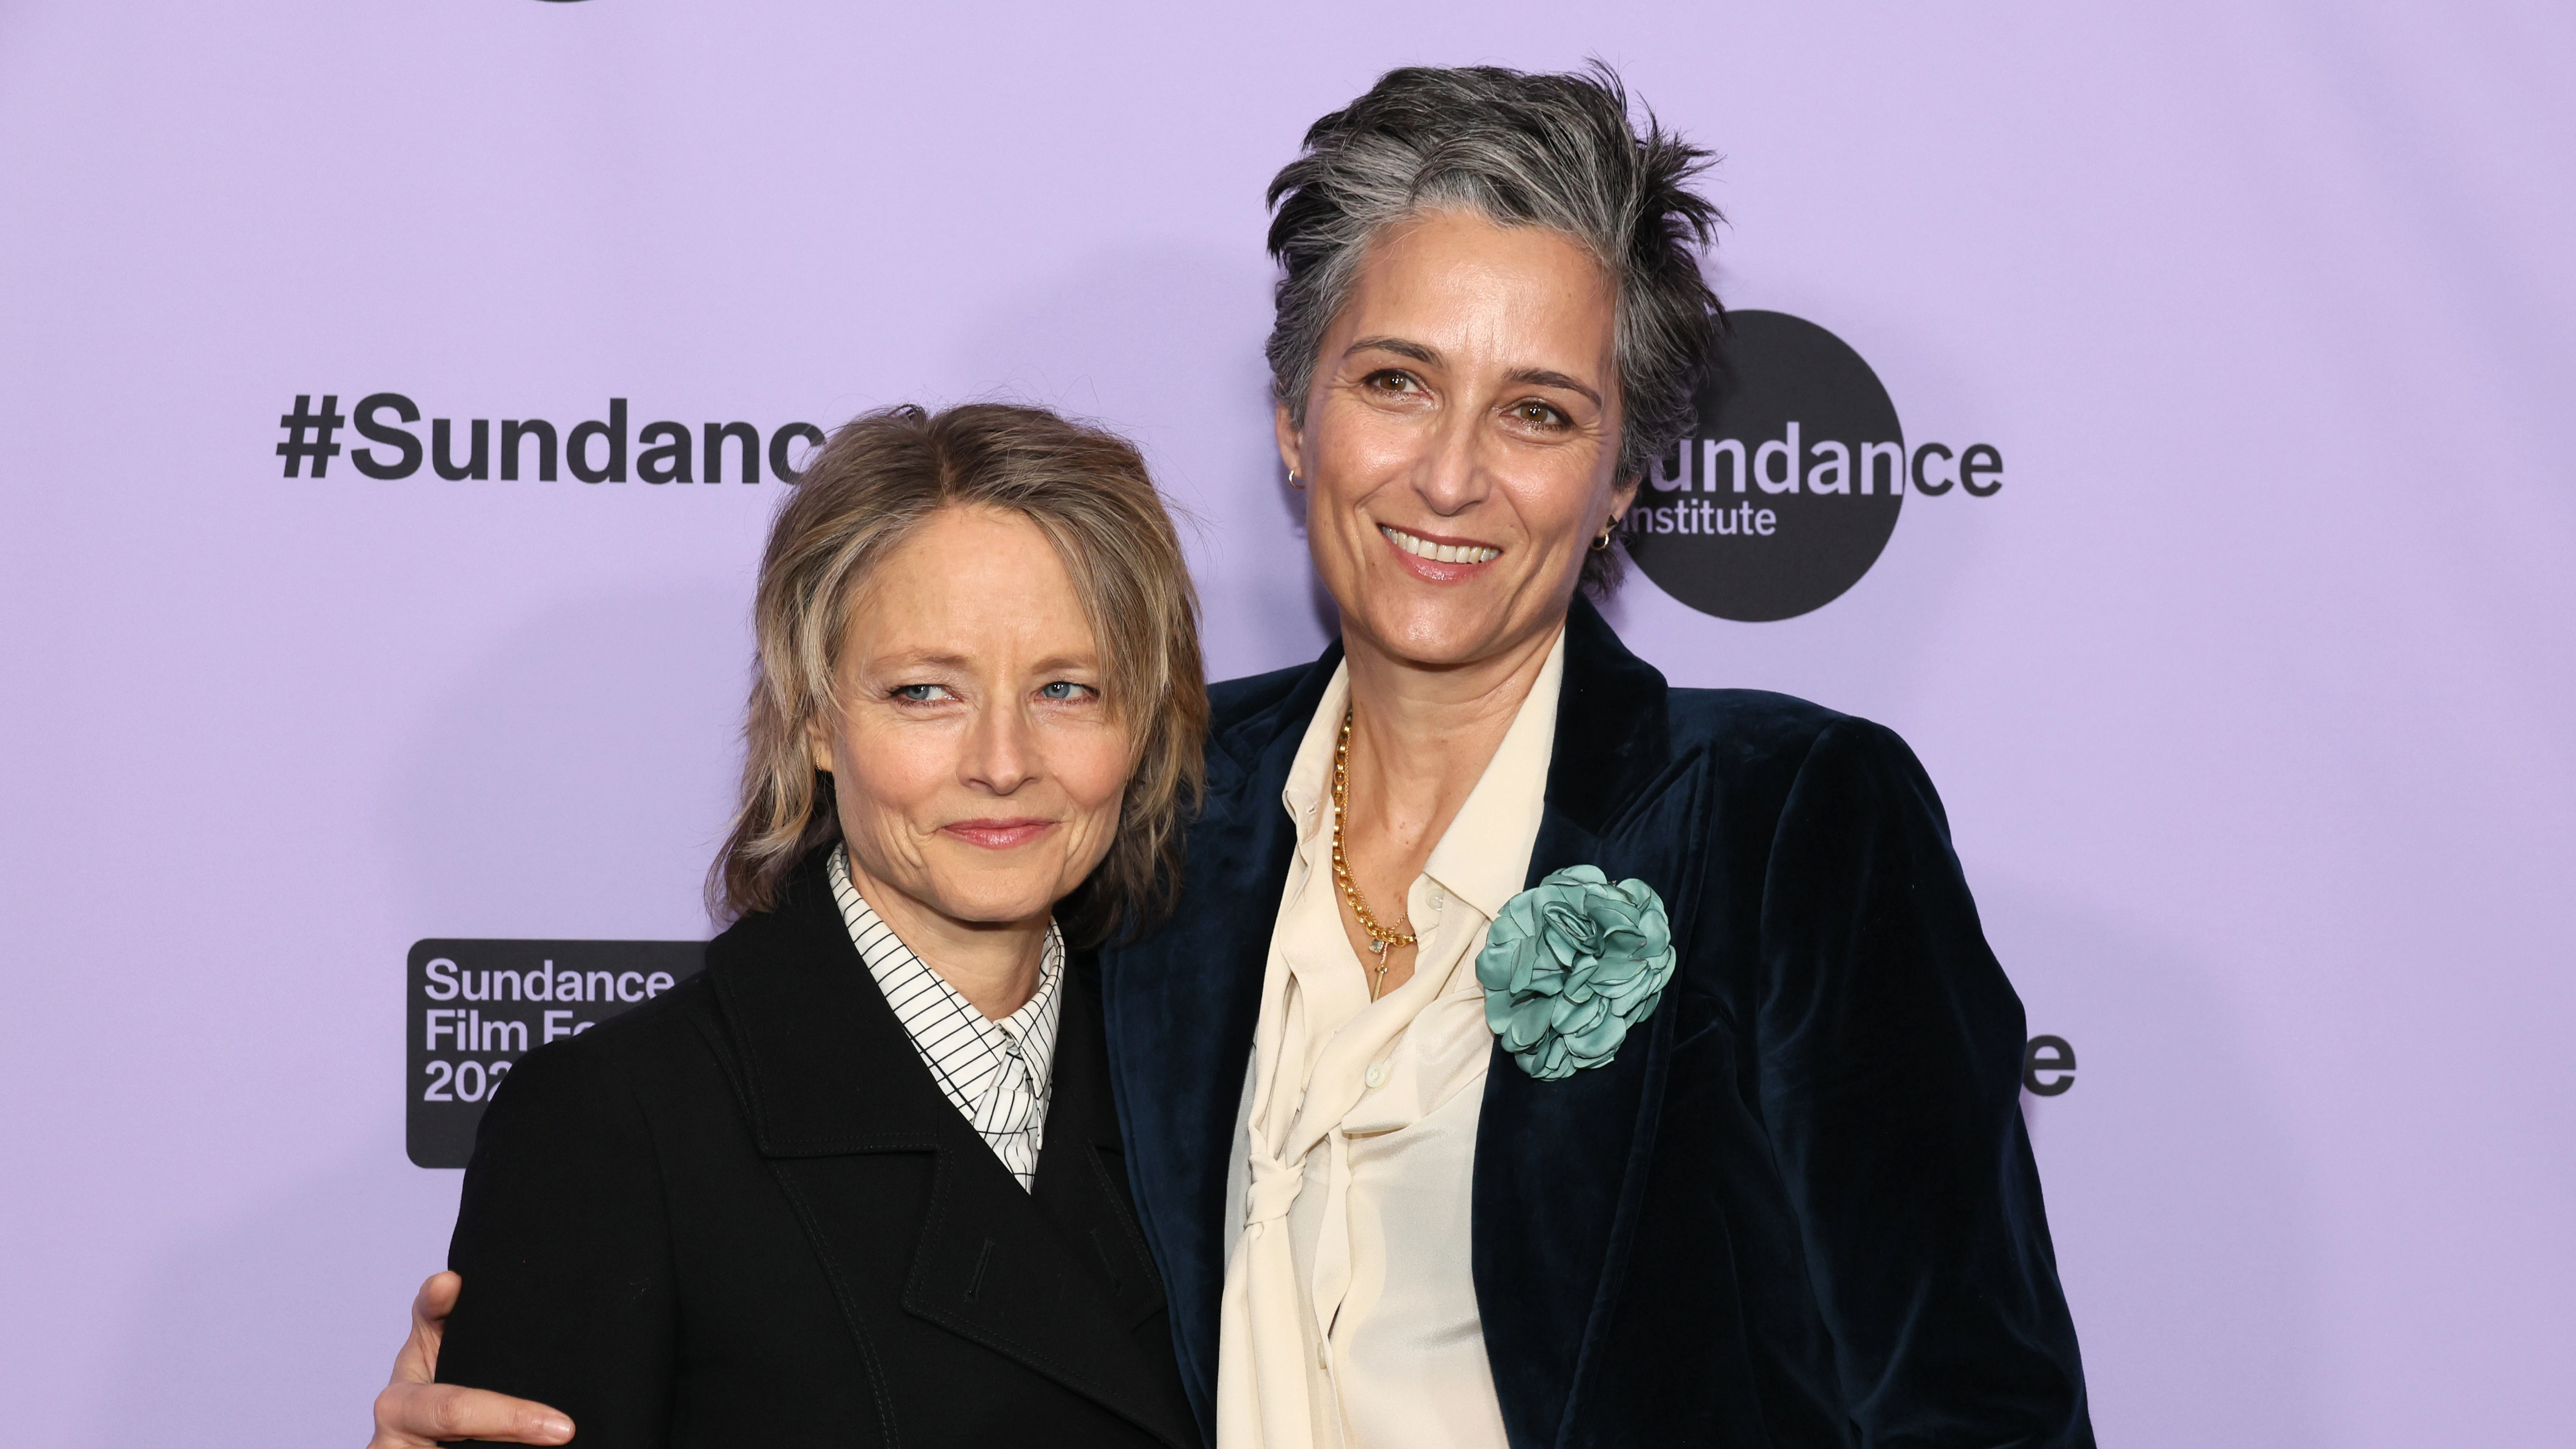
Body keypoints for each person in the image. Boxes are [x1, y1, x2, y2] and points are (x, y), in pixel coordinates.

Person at [375, 63, 2090, 1449]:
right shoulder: (1158, 818)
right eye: (1398, 382)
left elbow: (1972, 1403)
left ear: (1626, 477)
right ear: (1294, 420)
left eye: (1542, 412)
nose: (1450, 476)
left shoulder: (1788, 824)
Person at [410, 402, 1207, 1448]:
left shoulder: (1207, 1094)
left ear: (1139, 721)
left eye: (1066, 688)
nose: (1005, 761)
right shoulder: (617, 1127)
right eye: (925, 692)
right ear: (814, 720)